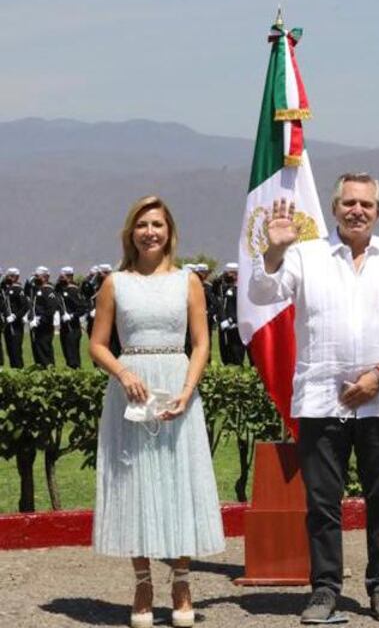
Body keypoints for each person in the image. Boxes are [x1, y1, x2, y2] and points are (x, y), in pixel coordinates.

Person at [249, 172, 379, 624]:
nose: (357, 211)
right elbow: (262, 292)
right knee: (323, 503)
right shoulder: (305, 256)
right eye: (349, 202)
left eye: (366, 204)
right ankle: (324, 590)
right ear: (334, 209)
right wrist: (273, 250)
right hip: (321, 401)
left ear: (378, 212)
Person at [89, 195, 225, 628]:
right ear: (131, 232)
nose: (150, 232)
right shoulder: (115, 283)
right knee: (136, 483)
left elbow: (202, 343)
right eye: (143, 224)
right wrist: (122, 371)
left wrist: (188, 390)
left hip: (176, 387)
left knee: (176, 480)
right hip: (131, 391)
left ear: (170, 233)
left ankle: (182, 582)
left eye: (158, 225)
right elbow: (96, 343)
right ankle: (143, 583)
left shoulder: (188, 281)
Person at [55, 266, 87, 368]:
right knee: (67, 354)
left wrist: (72, 316)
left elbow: (82, 308)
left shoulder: (74, 291)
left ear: (69, 277)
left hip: (72, 328)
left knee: (73, 355)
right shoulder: (60, 289)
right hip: (64, 327)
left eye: (62, 277)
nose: (60, 278)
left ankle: (76, 374)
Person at [27, 266, 58, 367]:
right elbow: (27, 293)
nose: (35, 278)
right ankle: (41, 371)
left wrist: (40, 320)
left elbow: (51, 309)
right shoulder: (36, 289)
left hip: (45, 327)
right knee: (37, 351)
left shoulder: (48, 291)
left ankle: (49, 372)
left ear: (45, 277)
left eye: (37, 276)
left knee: (45, 350)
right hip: (36, 327)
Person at [216, 263, 246, 365]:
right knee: (226, 354)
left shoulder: (241, 290)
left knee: (236, 355)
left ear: (235, 275)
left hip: (236, 327)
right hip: (226, 327)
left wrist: (231, 320)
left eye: (229, 273)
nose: (226, 276)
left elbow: (242, 309)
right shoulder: (226, 289)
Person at [1, 268, 27, 368]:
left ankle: (19, 370)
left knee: (16, 351)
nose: (8, 278)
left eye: (11, 276)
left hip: (16, 325)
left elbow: (25, 306)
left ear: (16, 277)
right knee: (10, 351)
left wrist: (15, 316)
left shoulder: (18, 290)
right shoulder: (6, 289)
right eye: (8, 276)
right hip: (8, 325)